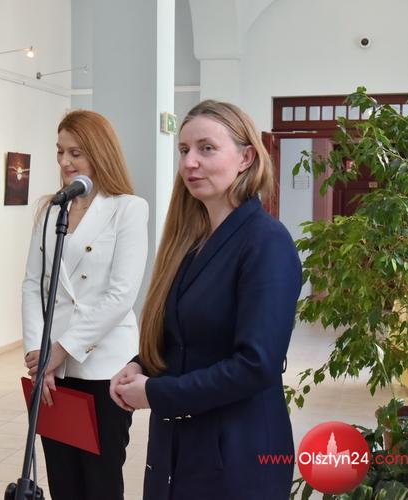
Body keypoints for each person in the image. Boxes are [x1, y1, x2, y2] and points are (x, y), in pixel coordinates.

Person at [110, 100, 302, 500]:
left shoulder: (266, 242)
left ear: (246, 157)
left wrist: (156, 393)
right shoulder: (192, 243)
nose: (189, 163)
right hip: (180, 447)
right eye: (184, 150)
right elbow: (185, 334)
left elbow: (256, 365)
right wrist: (141, 364)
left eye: (206, 148)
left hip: (238, 453)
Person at [21, 110, 149, 500]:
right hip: (53, 370)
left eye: (75, 153)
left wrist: (60, 350)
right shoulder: (50, 210)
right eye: (60, 152)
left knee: (100, 479)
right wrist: (38, 355)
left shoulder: (128, 208)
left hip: (104, 365)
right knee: (62, 478)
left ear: (99, 152)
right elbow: (33, 285)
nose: (65, 162)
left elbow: (121, 295)